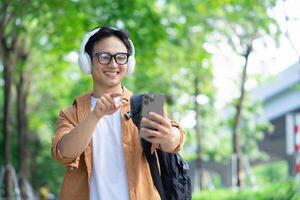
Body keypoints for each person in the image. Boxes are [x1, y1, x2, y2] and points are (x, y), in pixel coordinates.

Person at [51, 26, 186, 200]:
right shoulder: (72, 113)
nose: (113, 64)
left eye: (121, 57)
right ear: (87, 61)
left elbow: (174, 141)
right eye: (104, 56)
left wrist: (170, 136)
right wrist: (95, 116)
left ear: (129, 63)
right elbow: (63, 154)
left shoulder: (147, 104)